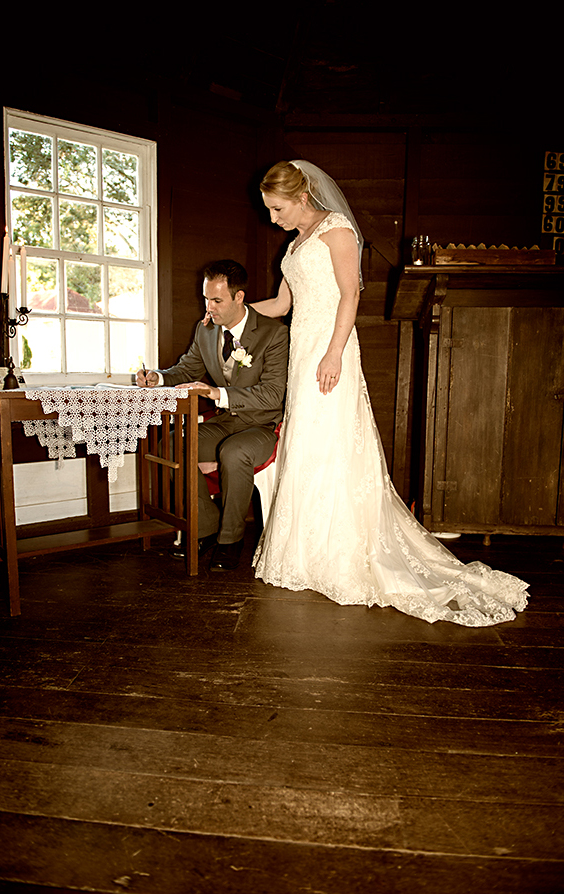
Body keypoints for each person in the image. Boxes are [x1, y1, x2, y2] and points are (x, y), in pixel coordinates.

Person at [250, 159, 528, 626]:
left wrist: (334, 352)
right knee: (308, 447)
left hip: (329, 348)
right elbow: (280, 304)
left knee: (334, 444)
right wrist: (231, 313)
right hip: (303, 353)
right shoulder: (295, 243)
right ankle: (305, 552)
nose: (273, 218)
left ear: (301, 197)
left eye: (277, 209)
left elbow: (350, 295)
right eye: (270, 210)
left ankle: (342, 553)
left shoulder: (336, 230)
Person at [137, 260, 288, 571]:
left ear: (239, 297)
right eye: (206, 298)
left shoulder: (274, 334)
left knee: (234, 452)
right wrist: (159, 377)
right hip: (226, 423)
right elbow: (187, 369)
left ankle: (231, 540)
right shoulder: (205, 330)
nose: (209, 307)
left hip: (262, 426)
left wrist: (217, 394)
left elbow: (273, 395)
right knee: (172, 445)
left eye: (217, 300)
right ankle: (206, 527)